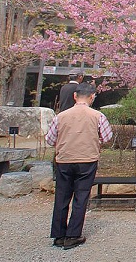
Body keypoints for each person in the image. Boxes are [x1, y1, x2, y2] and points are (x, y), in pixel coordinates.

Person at [45, 81, 112, 250]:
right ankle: (73, 235)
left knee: (61, 196)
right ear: (92, 97)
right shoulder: (97, 116)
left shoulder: (61, 116)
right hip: (87, 159)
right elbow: (107, 137)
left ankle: (59, 234)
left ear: (75, 96)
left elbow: (50, 139)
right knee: (81, 197)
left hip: (64, 159)